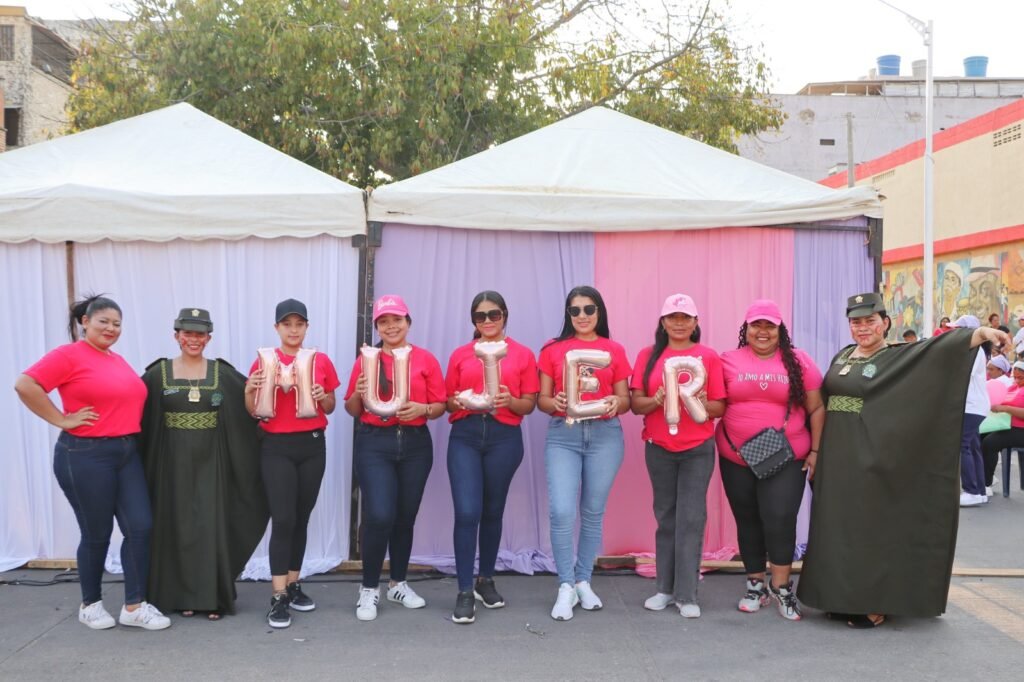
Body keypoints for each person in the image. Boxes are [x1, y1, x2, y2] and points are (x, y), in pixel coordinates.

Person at [797, 293, 1008, 629]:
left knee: (869, 528)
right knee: (836, 526)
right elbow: (824, 403)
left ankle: (872, 603)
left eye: (870, 320)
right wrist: (817, 451)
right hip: (837, 456)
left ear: (885, 322)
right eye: (856, 321)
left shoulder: (896, 357)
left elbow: (937, 352)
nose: (863, 327)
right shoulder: (842, 355)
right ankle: (837, 597)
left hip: (870, 456)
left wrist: (980, 334)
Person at [14, 295, 170, 631]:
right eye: (104, 321)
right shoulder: (69, 355)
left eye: (116, 324)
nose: (111, 328)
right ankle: (90, 604)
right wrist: (62, 420)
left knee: (140, 527)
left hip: (125, 453)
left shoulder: (116, 359)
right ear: (85, 321)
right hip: (85, 455)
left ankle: (134, 606)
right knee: (97, 533)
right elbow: (25, 384)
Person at [139, 308, 268, 619]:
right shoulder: (157, 375)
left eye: (200, 334)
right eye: (187, 333)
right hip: (172, 465)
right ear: (176, 336)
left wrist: (258, 393)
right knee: (177, 526)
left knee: (212, 526)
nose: (193, 339)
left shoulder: (222, 374)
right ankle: (180, 595)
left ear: (208, 338)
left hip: (214, 465)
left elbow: (252, 409)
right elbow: (138, 416)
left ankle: (213, 598)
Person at [715, 300, 824, 621]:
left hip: (788, 456)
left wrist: (816, 451)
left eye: (769, 326)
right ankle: (755, 585)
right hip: (735, 456)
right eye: (756, 325)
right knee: (747, 518)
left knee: (779, 517)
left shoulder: (799, 361)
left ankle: (781, 587)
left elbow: (817, 408)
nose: (762, 332)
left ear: (780, 330)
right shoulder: (727, 361)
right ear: (745, 329)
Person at [344, 295, 446, 622]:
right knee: (379, 515)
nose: (391, 326)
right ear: (377, 326)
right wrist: (360, 391)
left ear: (408, 322)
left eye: (397, 319)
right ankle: (369, 588)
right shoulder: (367, 360)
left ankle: (398, 583)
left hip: (415, 444)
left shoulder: (426, 360)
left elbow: (441, 404)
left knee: (405, 516)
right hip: (375, 442)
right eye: (384, 321)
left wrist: (423, 409)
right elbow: (352, 410)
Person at [537, 285, 631, 621]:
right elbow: (541, 401)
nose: (582, 316)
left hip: (605, 436)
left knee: (592, 511)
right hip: (564, 434)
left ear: (599, 312)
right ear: (568, 314)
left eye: (588, 309)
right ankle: (565, 584)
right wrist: (556, 403)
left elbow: (626, 400)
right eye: (574, 310)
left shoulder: (614, 349)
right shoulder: (552, 349)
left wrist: (617, 402)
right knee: (562, 510)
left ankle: (583, 580)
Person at [444, 291, 539, 624]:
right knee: (468, 511)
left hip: (504, 437)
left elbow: (528, 403)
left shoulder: (523, 354)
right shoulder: (459, 355)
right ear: (473, 320)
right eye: (480, 316)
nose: (487, 321)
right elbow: (447, 401)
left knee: (493, 509)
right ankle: (465, 590)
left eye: (494, 315)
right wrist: (459, 402)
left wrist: (509, 400)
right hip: (466, 436)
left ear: (505, 316)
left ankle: (486, 579)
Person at [245, 299, 340, 629]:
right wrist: (249, 390)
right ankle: (277, 595)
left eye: (299, 324)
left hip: (312, 444)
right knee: (283, 518)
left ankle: (294, 584)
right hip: (276, 446)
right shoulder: (265, 361)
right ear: (277, 328)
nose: (294, 330)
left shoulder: (320, 360)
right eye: (287, 324)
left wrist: (321, 394)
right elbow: (252, 407)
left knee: (301, 517)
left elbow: (331, 403)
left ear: (306, 327)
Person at [630, 294, 725, 619]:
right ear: (663, 322)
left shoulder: (708, 357)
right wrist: (657, 399)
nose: (680, 323)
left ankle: (687, 595)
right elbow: (635, 405)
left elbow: (720, 406)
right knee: (666, 518)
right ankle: (664, 589)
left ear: (696, 323)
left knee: (691, 519)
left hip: (697, 449)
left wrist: (695, 400)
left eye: (686, 317)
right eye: (673, 317)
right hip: (659, 448)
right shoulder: (648, 356)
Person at [952, 316, 991, 508]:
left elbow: (960, 375)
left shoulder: (972, 350)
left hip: (971, 406)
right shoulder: (975, 350)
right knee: (973, 446)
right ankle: (980, 490)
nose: (953, 333)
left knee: (962, 445)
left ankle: (971, 490)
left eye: (957, 329)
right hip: (975, 405)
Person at [981, 361, 1024, 495]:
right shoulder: (1013, 387)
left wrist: (1005, 408)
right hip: (1008, 426)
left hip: (1021, 430)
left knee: (990, 442)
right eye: (1014, 377)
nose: (1016, 380)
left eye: (1020, 378)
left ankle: (986, 484)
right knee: (978, 437)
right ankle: (984, 478)